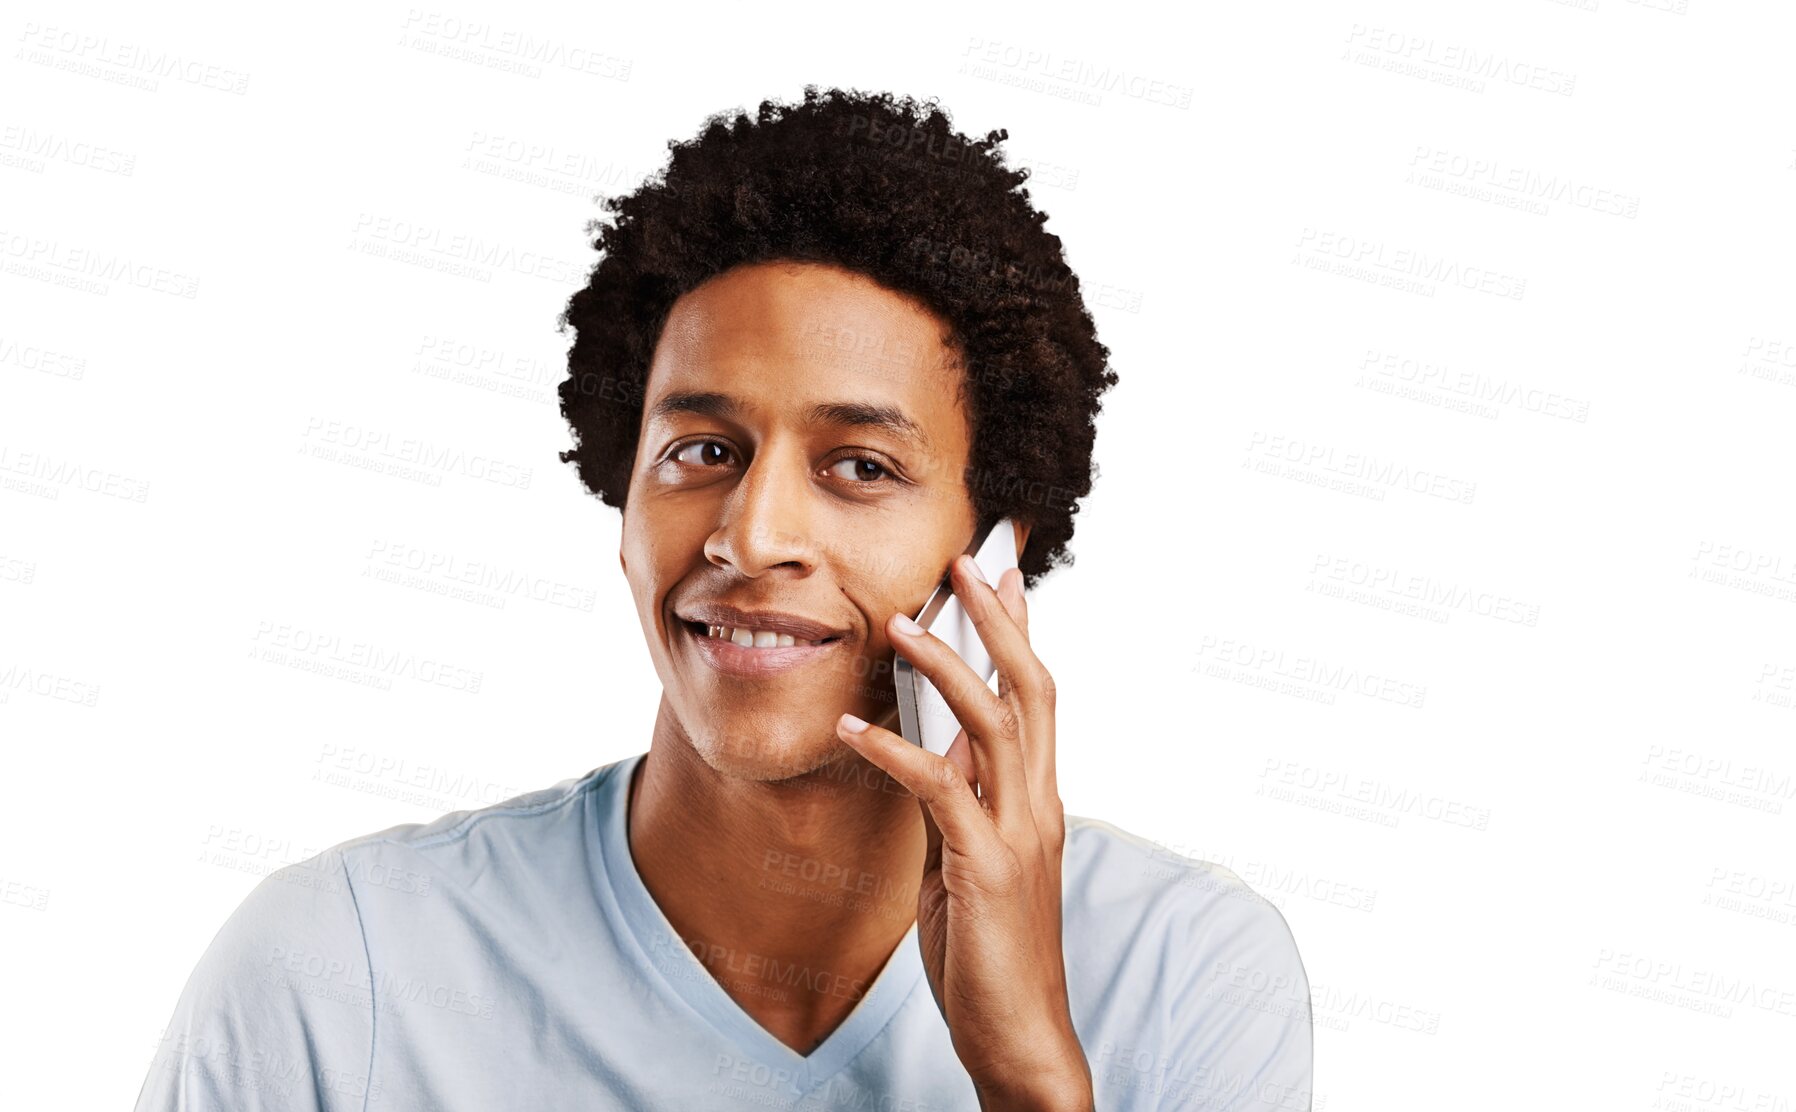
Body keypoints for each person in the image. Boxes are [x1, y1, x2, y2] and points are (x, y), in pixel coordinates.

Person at [135, 86, 1312, 1112]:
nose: (750, 535)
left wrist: (1031, 1083)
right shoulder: (343, 967)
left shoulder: (1183, 971)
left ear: (999, 548)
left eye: (860, 465)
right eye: (701, 450)